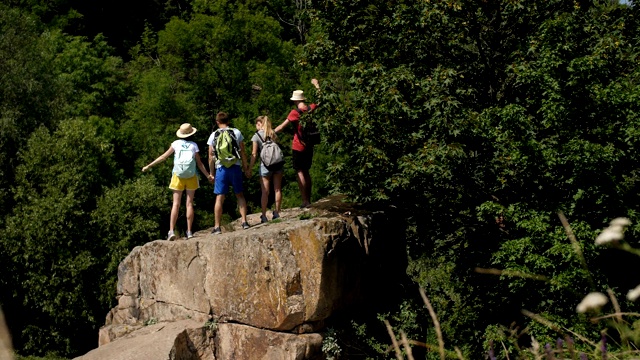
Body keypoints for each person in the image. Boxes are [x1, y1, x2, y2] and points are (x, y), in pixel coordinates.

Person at [142, 123, 213, 241]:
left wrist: (149, 166)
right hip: (191, 176)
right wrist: (208, 176)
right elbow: (199, 163)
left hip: (177, 176)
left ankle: (171, 231)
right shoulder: (193, 145)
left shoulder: (175, 144)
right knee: (189, 204)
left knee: (176, 204)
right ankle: (189, 231)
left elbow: (163, 157)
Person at [274, 78, 321, 208]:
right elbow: (320, 99)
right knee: (306, 172)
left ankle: (305, 201)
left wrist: (270, 132)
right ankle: (309, 199)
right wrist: (317, 85)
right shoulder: (310, 109)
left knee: (299, 172)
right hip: (309, 144)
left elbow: (282, 127)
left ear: (295, 100)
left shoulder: (295, 113)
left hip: (298, 145)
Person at [207, 112, 250, 234]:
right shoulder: (236, 132)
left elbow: (210, 156)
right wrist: (246, 168)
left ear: (217, 122)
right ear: (228, 121)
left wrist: (212, 172)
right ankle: (244, 222)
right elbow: (242, 152)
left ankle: (217, 227)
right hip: (235, 166)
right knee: (239, 195)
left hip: (221, 168)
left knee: (220, 197)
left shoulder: (213, 135)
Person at [249, 116, 283, 223]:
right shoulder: (273, 133)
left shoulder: (256, 136)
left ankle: (263, 216)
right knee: (277, 189)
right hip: (277, 164)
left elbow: (254, 153)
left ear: (259, 124)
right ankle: (277, 212)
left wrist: (249, 168)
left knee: (265, 191)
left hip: (265, 165)